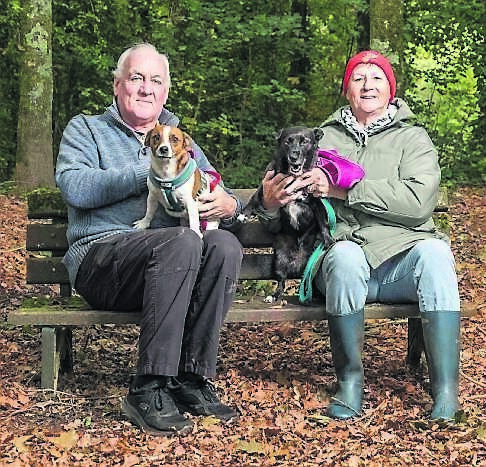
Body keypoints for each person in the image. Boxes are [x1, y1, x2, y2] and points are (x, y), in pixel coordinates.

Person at [254, 50, 461, 421]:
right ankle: (350, 382)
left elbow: (417, 203)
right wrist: (272, 199)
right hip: (342, 254)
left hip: (401, 258)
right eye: (358, 78)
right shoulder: (322, 138)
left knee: (437, 254)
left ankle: (445, 392)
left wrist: (346, 192)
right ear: (347, 89)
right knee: (346, 257)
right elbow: (283, 200)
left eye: (376, 77)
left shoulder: (413, 138)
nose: (367, 85)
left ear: (390, 88)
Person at [55, 43, 244, 435]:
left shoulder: (178, 138)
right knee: (182, 241)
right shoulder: (87, 129)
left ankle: (191, 378)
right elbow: (75, 187)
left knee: (224, 245)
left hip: (171, 264)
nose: (145, 88)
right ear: (118, 85)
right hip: (103, 258)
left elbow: (213, 185)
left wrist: (229, 202)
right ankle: (149, 387)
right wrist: (149, 169)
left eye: (155, 80)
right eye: (136, 78)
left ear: (165, 92)